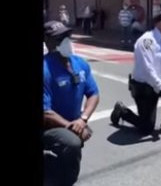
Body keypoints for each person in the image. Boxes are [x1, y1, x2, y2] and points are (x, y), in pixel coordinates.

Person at [43, 21, 100, 186]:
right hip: (48, 125)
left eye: (67, 36)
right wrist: (72, 127)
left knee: (72, 146)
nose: (66, 40)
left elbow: (93, 94)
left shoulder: (80, 63)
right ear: (48, 42)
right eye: (60, 38)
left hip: (74, 121)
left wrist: (83, 119)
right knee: (72, 143)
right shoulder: (45, 68)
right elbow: (45, 112)